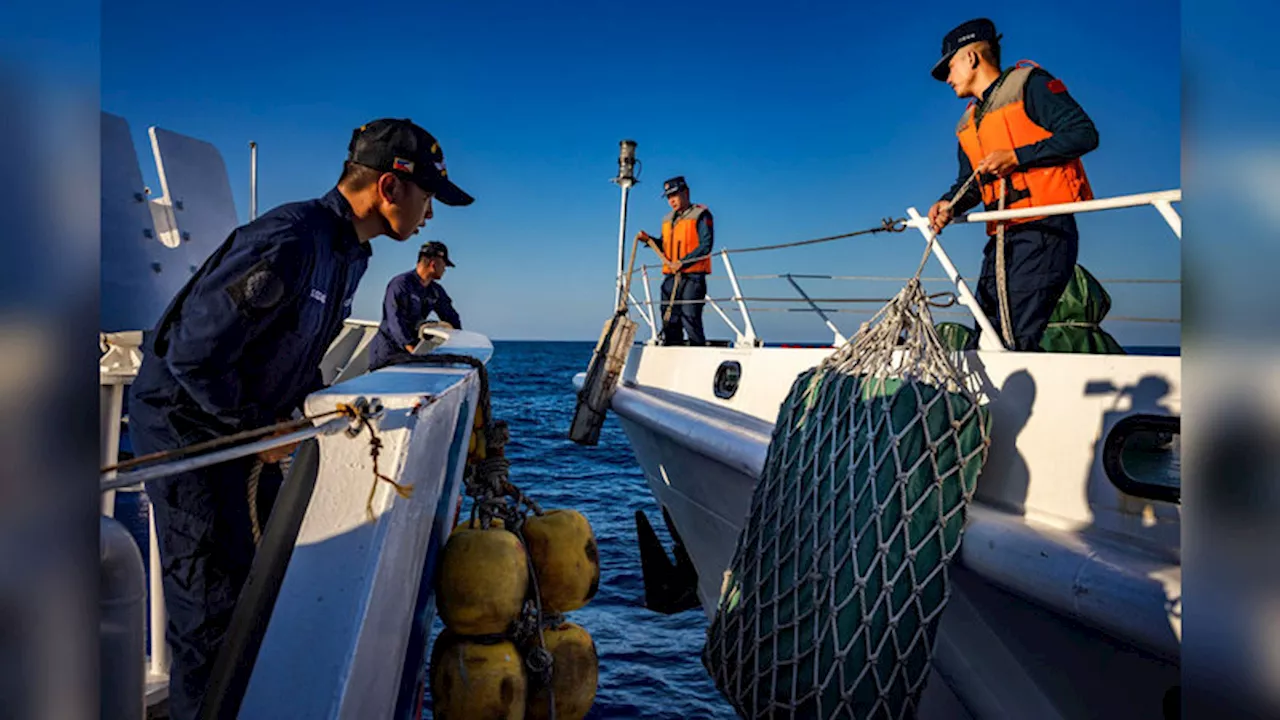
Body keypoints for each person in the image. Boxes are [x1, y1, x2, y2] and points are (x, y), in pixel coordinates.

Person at [126, 117, 473, 719]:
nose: (431, 215)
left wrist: (312, 411)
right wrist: (255, 427)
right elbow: (191, 354)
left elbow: (292, 352)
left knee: (271, 580)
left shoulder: (349, 256)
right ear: (390, 188)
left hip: (243, 432)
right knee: (212, 611)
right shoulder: (291, 238)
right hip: (193, 434)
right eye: (428, 197)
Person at [926, 18, 1098, 351]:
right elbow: (971, 184)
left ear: (972, 59)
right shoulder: (968, 123)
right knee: (987, 335)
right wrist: (949, 204)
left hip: (1044, 231)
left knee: (1013, 337)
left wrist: (1018, 156)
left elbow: (1084, 134)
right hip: (1002, 240)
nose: (947, 78)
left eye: (949, 67)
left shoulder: (1029, 85)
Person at [635, 176, 714, 346]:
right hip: (671, 276)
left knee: (689, 316)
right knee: (669, 317)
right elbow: (665, 245)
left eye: (675, 195)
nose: (672, 201)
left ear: (686, 193)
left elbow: (706, 245)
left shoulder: (701, 214)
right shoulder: (667, 219)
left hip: (693, 276)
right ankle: (673, 350)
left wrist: (683, 262)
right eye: (669, 197)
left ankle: (697, 352)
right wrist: (649, 239)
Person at [366, 240, 463, 370]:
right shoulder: (400, 284)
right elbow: (394, 320)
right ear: (433, 264)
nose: (445, 269)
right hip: (387, 353)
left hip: (410, 352)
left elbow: (451, 317)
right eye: (444, 264)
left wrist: (460, 342)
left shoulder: (435, 291)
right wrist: (411, 348)